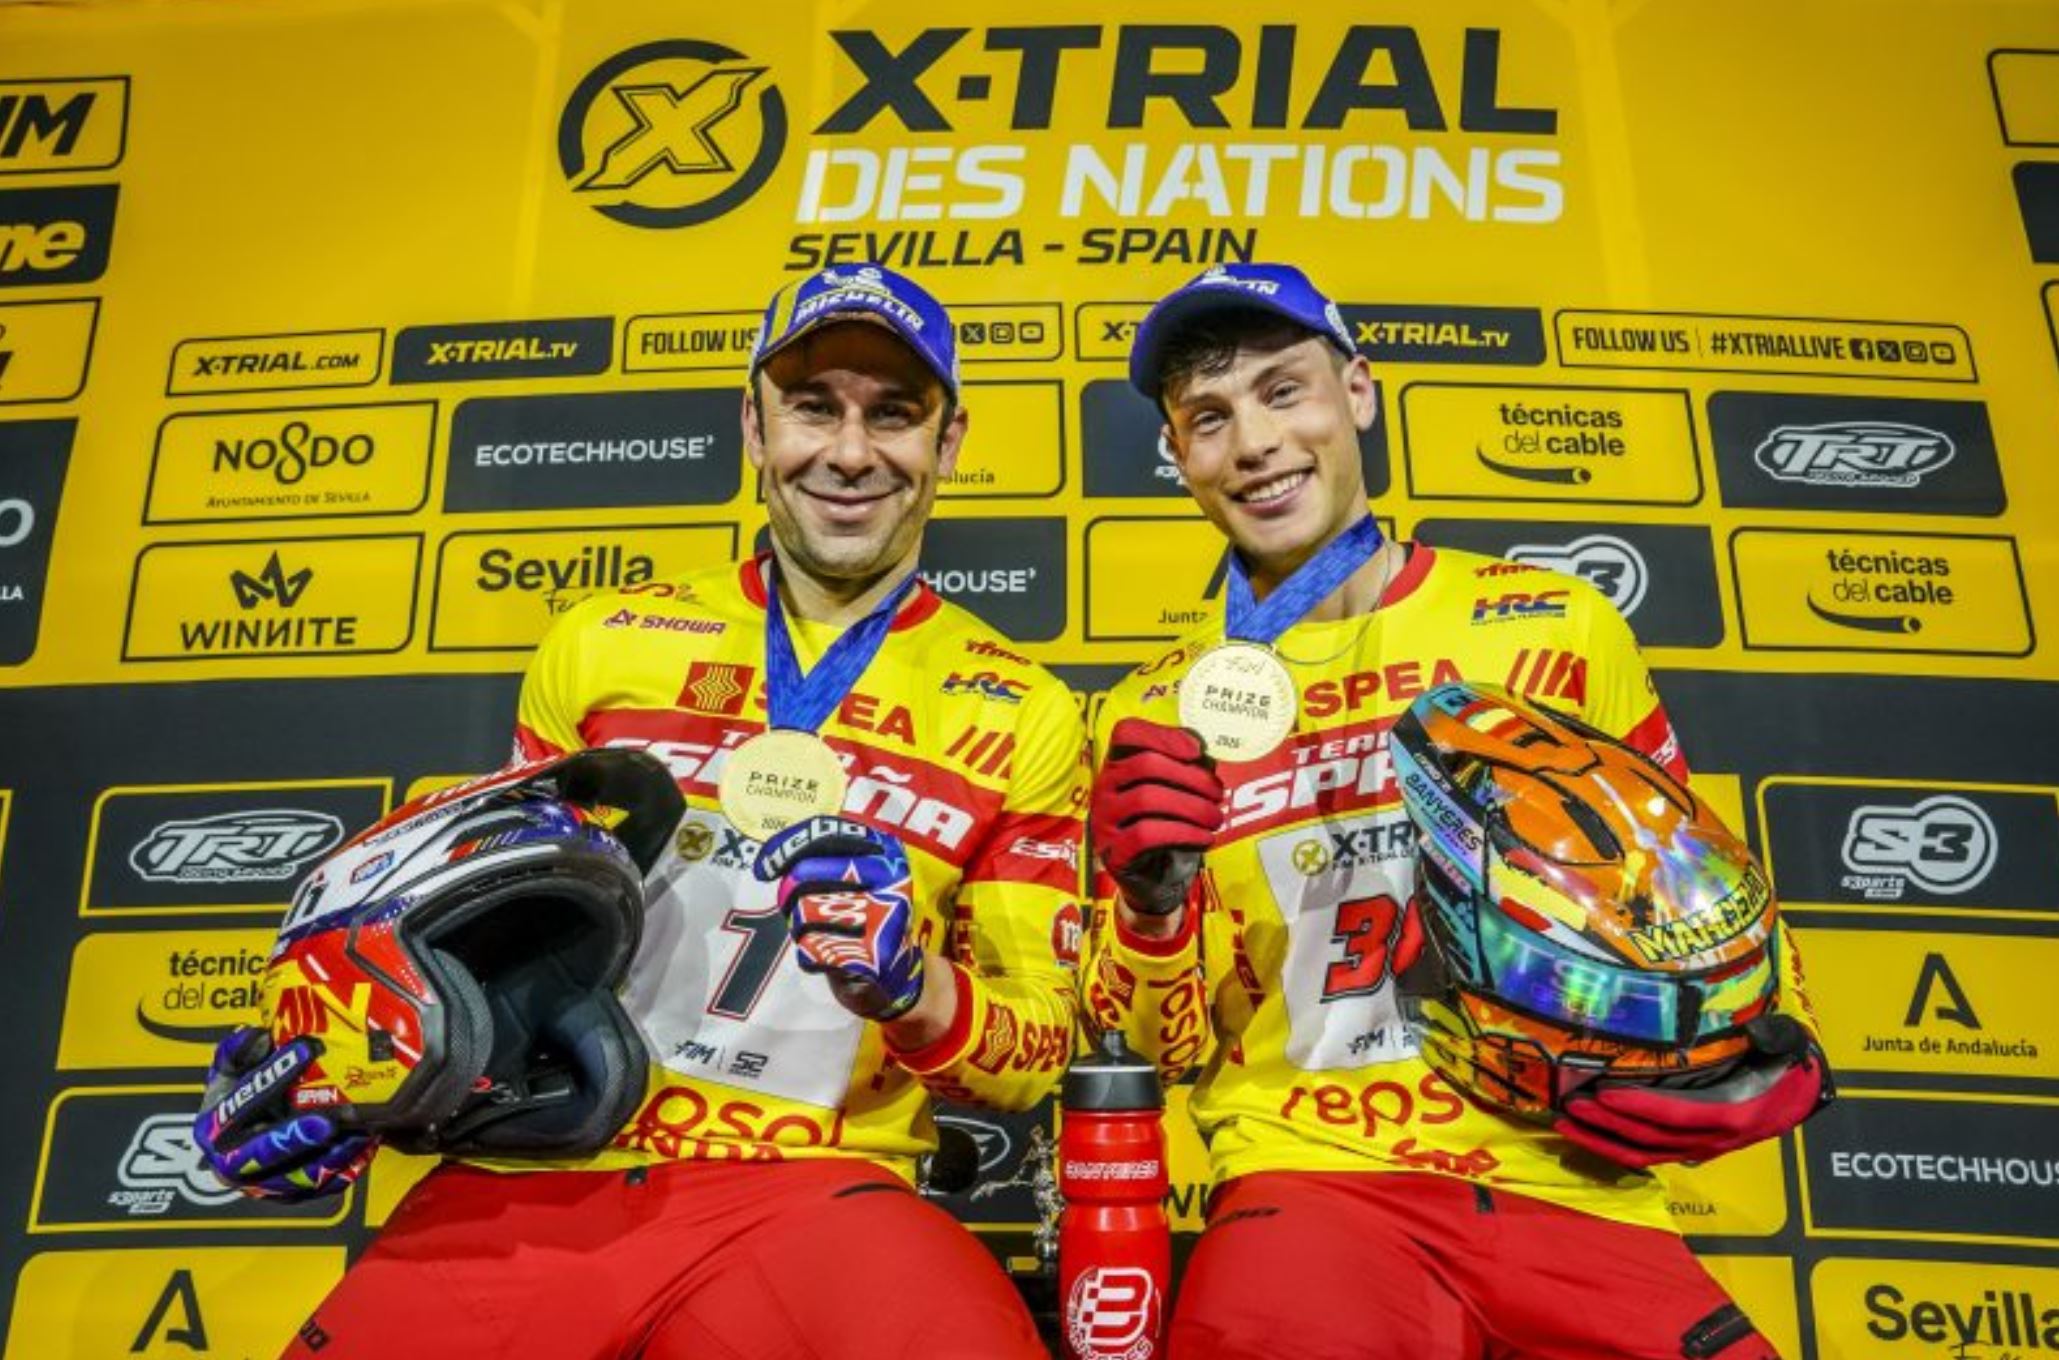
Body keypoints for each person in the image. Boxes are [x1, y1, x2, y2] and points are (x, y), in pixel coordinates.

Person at [198, 262, 1086, 1360]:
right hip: (539, 1169)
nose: (851, 453)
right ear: (753, 428)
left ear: (947, 444)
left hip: (815, 1191)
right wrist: (333, 1075)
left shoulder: (1024, 709)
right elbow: (476, 941)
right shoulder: (603, 641)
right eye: (813, 407)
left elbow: (1032, 1052)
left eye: (893, 414)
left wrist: (910, 984)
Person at [1081, 262, 1829, 1359]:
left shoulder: (1552, 624)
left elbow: (1698, 882)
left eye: (1283, 392)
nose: (1253, 443)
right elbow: (1152, 1046)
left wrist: (1777, 1035)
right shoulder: (1152, 711)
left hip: (1573, 1178)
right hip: (1307, 1178)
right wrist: (1147, 910)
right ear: (1179, 456)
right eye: (1209, 417)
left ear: (1357, 392)